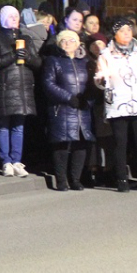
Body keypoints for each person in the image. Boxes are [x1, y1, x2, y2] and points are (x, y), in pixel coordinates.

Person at [95, 17, 137, 192]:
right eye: (122, 31)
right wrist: (101, 80)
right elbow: (100, 79)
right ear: (115, 34)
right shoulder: (106, 54)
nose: (126, 34)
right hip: (118, 103)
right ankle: (121, 179)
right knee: (120, 142)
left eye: (129, 30)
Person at [0, 5, 40, 177]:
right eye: (10, 17)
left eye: (16, 17)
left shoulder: (26, 38)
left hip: (22, 88)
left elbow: (37, 63)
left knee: (19, 126)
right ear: (3, 19)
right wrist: (13, 55)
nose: (14, 20)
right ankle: (5, 161)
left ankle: (17, 160)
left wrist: (27, 57)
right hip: (4, 87)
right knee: (3, 126)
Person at [41, 30, 93, 190]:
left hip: (81, 109)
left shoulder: (85, 62)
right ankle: (62, 180)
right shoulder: (53, 60)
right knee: (62, 145)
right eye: (63, 40)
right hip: (62, 108)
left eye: (71, 40)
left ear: (78, 44)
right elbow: (48, 83)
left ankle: (75, 179)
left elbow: (93, 83)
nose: (67, 43)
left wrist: (88, 99)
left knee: (81, 144)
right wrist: (68, 97)